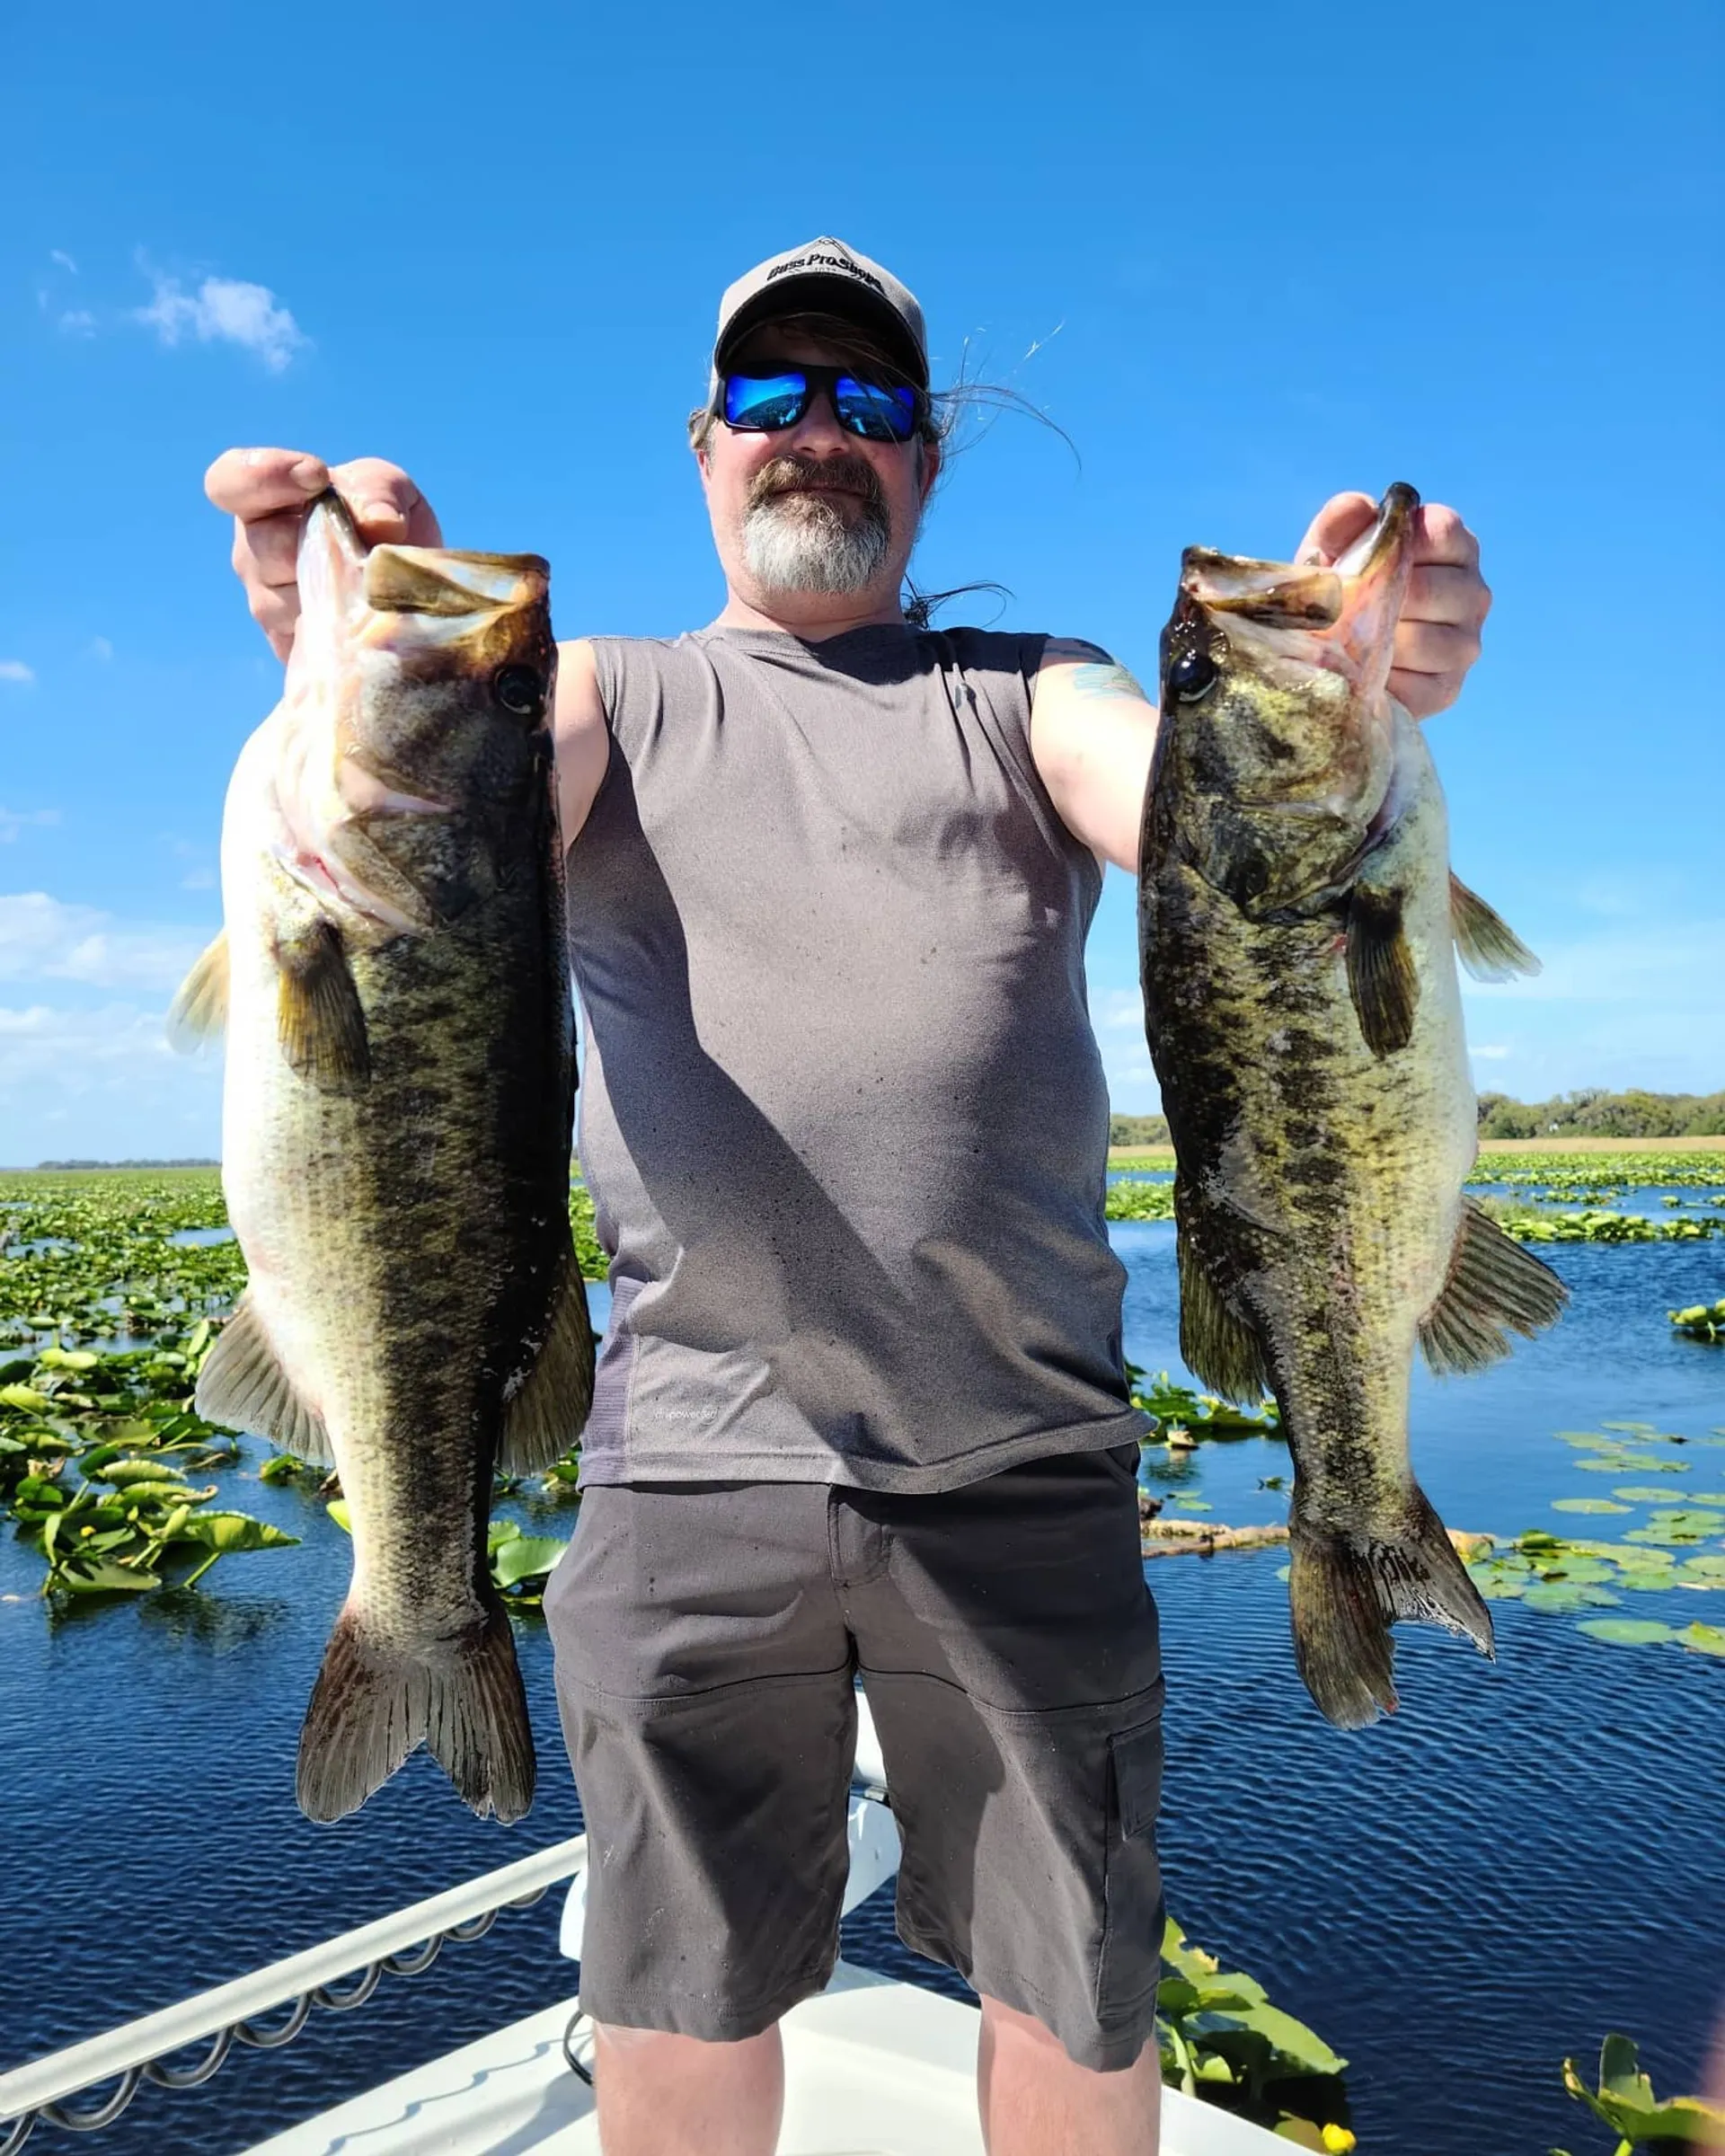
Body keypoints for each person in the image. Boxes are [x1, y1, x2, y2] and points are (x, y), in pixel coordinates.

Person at [207, 237, 1491, 2156]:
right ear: (704, 448)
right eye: (775, 397)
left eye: (873, 401)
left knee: (1074, 1988)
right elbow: (455, 840)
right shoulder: (602, 699)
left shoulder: (1028, 690)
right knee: (677, 1997)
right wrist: (353, 675)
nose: (822, 431)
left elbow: (1209, 840)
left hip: (1026, 1464)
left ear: (924, 465)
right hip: (687, 1466)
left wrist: (1351, 698)